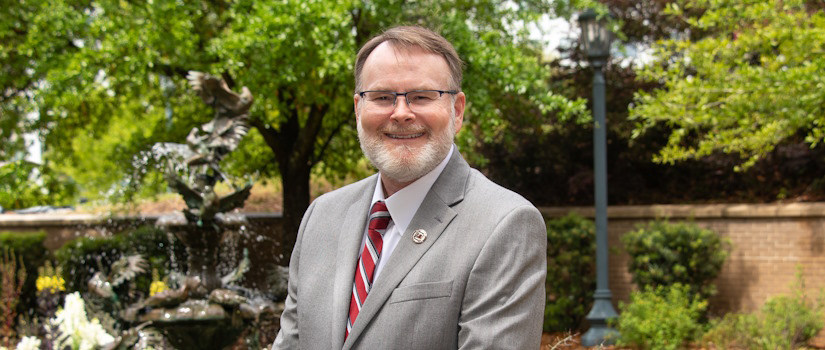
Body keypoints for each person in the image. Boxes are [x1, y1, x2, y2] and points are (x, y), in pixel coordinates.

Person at [272, 26, 547, 350]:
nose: (401, 113)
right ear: (359, 109)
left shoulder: (505, 225)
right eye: (382, 97)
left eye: (421, 96)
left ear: (456, 111)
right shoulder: (321, 216)